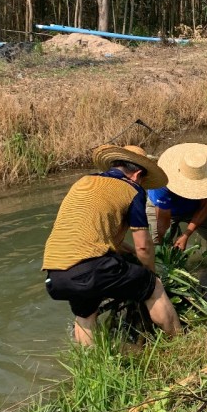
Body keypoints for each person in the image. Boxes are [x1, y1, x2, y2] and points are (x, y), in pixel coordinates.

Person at [43, 145, 181, 346]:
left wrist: (130, 253)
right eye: (143, 181)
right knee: (153, 287)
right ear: (137, 174)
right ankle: (181, 343)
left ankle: (92, 366)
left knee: (86, 314)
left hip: (56, 274)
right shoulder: (132, 189)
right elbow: (143, 245)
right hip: (91, 267)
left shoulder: (84, 182)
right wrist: (150, 275)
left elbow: (96, 238)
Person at [148, 142, 207, 293]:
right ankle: (166, 290)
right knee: (157, 248)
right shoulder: (162, 182)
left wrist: (186, 235)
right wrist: (164, 242)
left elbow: (205, 207)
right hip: (163, 209)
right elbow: (163, 222)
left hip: (196, 207)